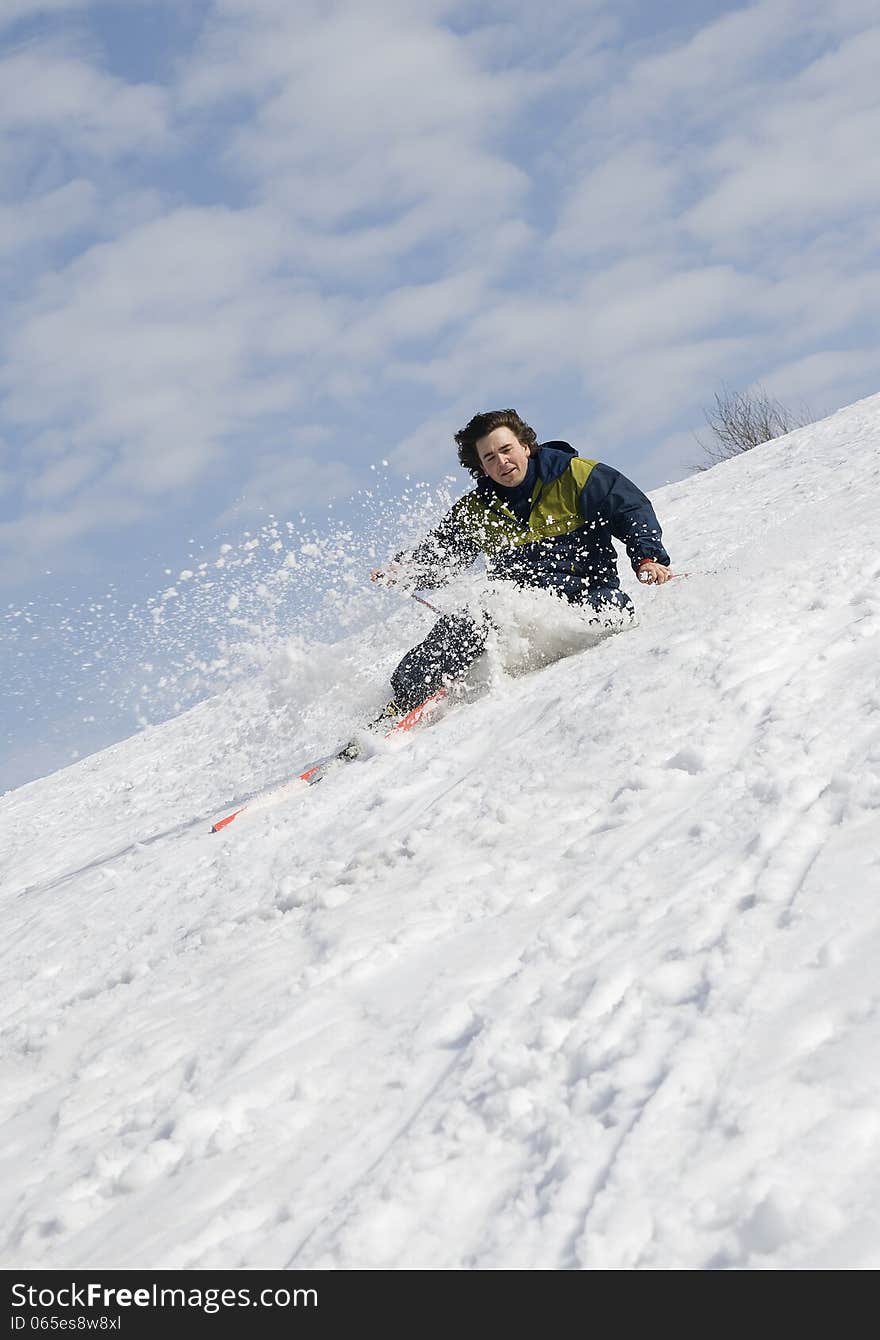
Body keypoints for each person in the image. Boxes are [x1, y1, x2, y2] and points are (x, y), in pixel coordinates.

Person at [369, 408, 672, 717]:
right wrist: (405, 572)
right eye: (489, 458)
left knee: (614, 612)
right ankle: (404, 700)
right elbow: (443, 552)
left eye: (506, 449)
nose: (502, 461)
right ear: (481, 468)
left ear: (525, 446)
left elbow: (630, 509)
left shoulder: (574, 474)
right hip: (519, 610)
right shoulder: (478, 510)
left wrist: (647, 557)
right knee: (470, 620)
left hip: (586, 595)